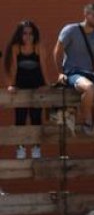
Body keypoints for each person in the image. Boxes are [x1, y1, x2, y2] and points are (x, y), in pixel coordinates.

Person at [54, 2, 94, 136]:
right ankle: (86, 119)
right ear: (86, 15)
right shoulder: (70, 30)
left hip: (91, 73)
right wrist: (60, 73)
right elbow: (57, 51)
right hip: (73, 72)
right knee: (89, 88)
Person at [4, 20, 53, 160]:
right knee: (20, 118)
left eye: (31, 33)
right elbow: (13, 67)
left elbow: (43, 67)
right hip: (21, 87)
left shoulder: (38, 47)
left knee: (36, 117)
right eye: (25, 33)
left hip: (36, 86)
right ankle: (20, 147)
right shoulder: (16, 48)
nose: (28, 36)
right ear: (20, 34)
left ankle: (36, 148)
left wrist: (46, 84)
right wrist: (11, 84)